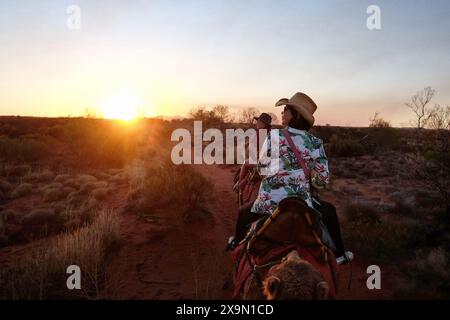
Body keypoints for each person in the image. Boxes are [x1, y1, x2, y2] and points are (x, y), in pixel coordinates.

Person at [228, 92, 353, 265]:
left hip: (270, 203)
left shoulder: (273, 137)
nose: (282, 113)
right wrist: (308, 174)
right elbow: (322, 181)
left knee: (242, 214)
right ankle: (340, 255)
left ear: (295, 115)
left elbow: (263, 169)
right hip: (302, 203)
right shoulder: (316, 143)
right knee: (329, 211)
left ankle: (236, 245)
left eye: (286, 109)